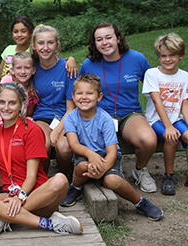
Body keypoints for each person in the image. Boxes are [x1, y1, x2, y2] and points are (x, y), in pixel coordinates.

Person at [0, 83, 83, 236]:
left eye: (12, 103)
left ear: (21, 105)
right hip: (10, 195)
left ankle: (5, 220)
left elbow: (32, 176)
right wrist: (12, 197)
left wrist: (20, 197)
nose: (6, 107)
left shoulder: (32, 130)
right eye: (2, 102)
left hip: (37, 194)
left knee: (60, 180)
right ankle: (49, 223)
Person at [60, 73, 163, 221]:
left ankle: (140, 202)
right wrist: (91, 155)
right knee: (82, 166)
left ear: (99, 96)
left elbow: (112, 151)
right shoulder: (70, 118)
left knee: (112, 181)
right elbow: (74, 144)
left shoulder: (105, 119)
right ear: (73, 95)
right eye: (79, 93)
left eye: (89, 93)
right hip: (85, 155)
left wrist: (101, 168)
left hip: (107, 157)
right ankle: (75, 188)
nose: (84, 97)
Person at [79, 22, 158, 193]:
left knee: (149, 140)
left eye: (109, 37)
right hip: (99, 115)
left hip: (129, 114)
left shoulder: (137, 59)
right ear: (95, 43)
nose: (105, 43)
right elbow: (78, 91)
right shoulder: (89, 64)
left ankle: (140, 170)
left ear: (118, 38)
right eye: (99, 39)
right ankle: (89, 177)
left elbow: (154, 88)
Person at [142, 33, 188, 195]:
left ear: (181, 55)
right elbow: (157, 102)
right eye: (163, 56)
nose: (167, 59)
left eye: (172, 55)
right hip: (156, 121)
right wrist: (168, 126)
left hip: (176, 119)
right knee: (172, 137)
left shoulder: (185, 76)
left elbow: (185, 104)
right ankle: (169, 176)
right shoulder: (152, 74)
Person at [31, 24, 76, 175]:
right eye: (40, 43)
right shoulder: (32, 68)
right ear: (34, 45)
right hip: (42, 115)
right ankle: (42, 180)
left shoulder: (68, 68)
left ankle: (64, 176)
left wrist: (56, 131)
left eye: (50, 42)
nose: (45, 47)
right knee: (42, 144)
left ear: (57, 45)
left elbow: (71, 108)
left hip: (65, 115)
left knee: (64, 148)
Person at [0, 15, 78, 89]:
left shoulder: (33, 51)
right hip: (4, 88)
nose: (19, 34)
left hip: (24, 90)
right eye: (16, 31)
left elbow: (51, 60)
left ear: (31, 33)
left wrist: (71, 59)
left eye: (23, 31)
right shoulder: (8, 49)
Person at [0, 51, 39, 127]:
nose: (23, 72)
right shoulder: (6, 80)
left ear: (33, 70)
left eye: (27, 68)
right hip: (0, 124)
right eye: (19, 68)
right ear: (12, 70)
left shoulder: (32, 90)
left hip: (18, 125)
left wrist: (28, 119)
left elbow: (29, 113)